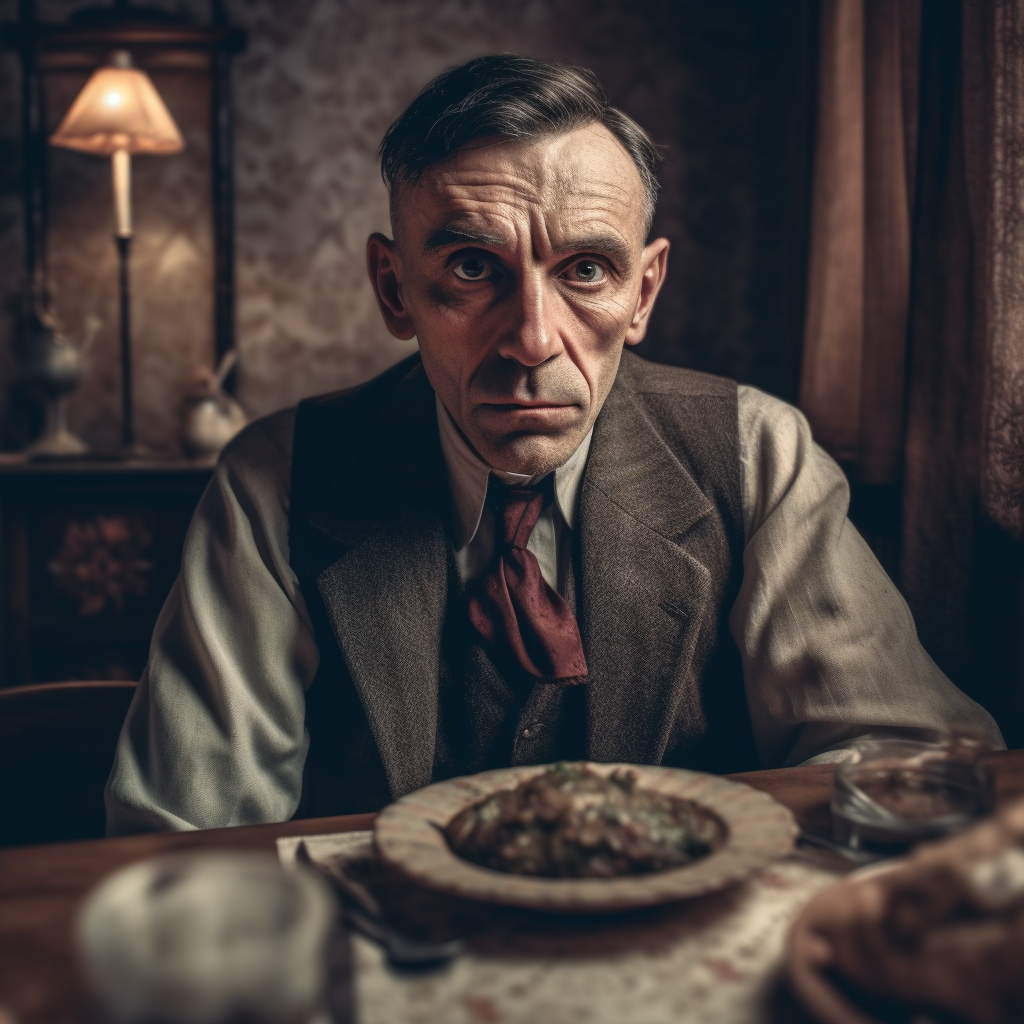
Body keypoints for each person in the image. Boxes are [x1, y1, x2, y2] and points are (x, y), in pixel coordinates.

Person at [105, 55, 1002, 834]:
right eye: (470, 268)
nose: (533, 339)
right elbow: (182, 837)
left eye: (586, 271)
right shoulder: (278, 482)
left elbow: (913, 766)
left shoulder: (758, 455)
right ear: (394, 290)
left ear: (643, 293)